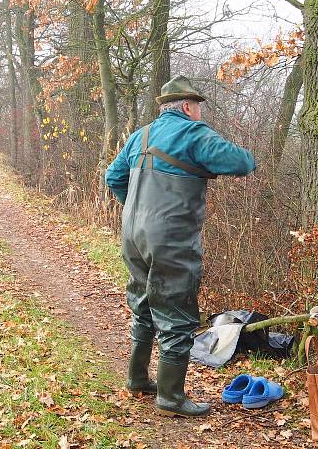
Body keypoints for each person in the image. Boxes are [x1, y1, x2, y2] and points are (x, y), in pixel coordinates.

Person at [105, 75, 256, 417]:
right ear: (188, 106)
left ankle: (137, 379)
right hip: (171, 238)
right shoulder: (193, 133)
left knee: (143, 302)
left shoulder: (140, 136)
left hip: (132, 234)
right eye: (198, 107)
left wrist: (137, 210)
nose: (199, 113)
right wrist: (252, 158)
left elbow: (113, 177)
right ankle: (171, 396)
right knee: (177, 313)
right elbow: (240, 162)